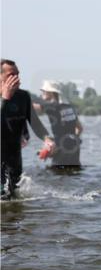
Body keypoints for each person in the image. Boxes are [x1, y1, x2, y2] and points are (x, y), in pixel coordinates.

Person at [1, 59, 54, 199]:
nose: (17, 78)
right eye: (11, 74)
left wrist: (47, 139)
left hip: (14, 159)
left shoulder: (23, 96)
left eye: (18, 74)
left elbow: (35, 123)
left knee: (13, 199)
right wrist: (5, 99)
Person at [33, 81, 83, 168]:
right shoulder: (69, 106)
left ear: (51, 93)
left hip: (61, 149)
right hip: (75, 148)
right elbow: (80, 128)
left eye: (44, 91)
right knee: (74, 175)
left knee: (58, 177)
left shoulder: (51, 106)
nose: (42, 93)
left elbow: (32, 107)